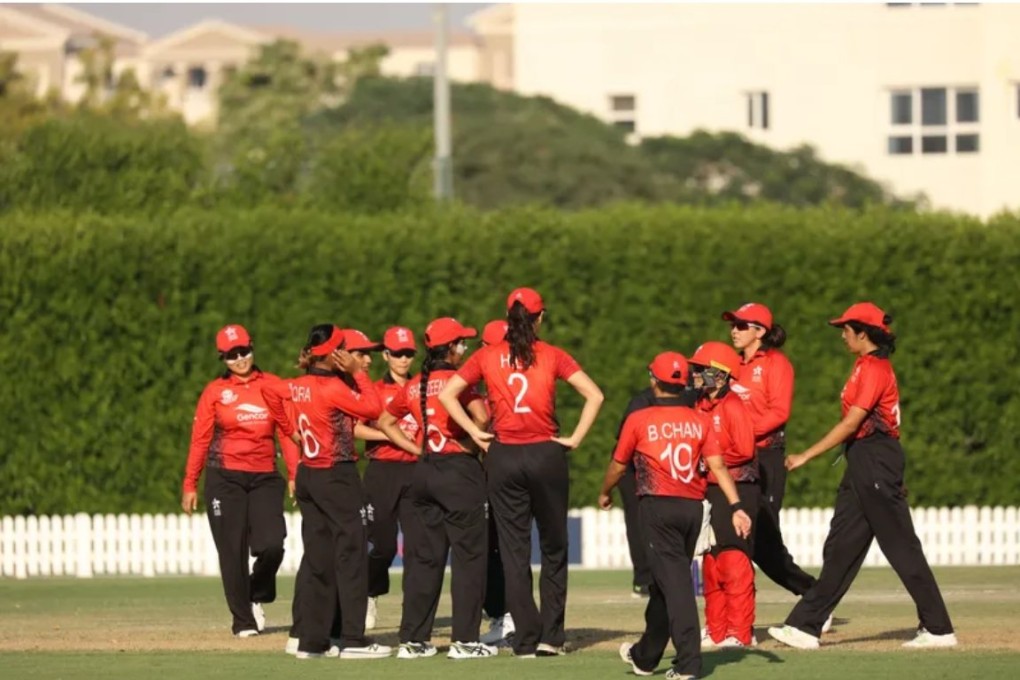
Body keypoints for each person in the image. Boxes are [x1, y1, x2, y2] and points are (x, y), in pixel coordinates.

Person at [769, 303, 957, 650]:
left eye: (846, 330)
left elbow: (852, 423)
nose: (842, 336)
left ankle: (938, 628)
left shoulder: (873, 369)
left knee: (901, 545)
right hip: (863, 460)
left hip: (875, 459)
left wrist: (806, 455)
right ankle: (805, 625)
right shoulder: (864, 365)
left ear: (863, 333)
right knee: (841, 545)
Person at [439, 288, 604, 658]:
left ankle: (526, 639)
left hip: (504, 457)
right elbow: (595, 395)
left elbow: (448, 394)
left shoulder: (487, 355)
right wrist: (575, 438)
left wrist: (476, 432)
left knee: (514, 552)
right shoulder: (552, 355)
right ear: (540, 317)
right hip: (546, 454)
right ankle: (551, 637)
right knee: (554, 547)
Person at [601, 352, 752, 680]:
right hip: (693, 509)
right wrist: (737, 506)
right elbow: (718, 466)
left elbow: (618, 464)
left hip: (658, 508)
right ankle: (645, 656)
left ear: (654, 381)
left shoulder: (639, 418)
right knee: (665, 582)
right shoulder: (699, 419)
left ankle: (689, 664)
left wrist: (604, 491)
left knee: (677, 585)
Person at [262, 324, 391, 659]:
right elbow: (374, 409)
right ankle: (352, 639)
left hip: (309, 474)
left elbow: (271, 395)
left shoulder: (299, 385)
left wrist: (290, 430)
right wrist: (357, 375)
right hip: (337, 476)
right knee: (352, 555)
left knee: (319, 559)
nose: (351, 356)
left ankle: (313, 641)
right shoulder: (332, 387)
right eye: (345, 350)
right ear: (334, 354)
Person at [378, 317, 498, 659]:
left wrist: (416, 449)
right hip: (458, 473)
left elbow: (387, 422)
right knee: (469, 557)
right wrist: (470, 446)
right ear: (450, 348)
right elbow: (482, 416)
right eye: (461, 343)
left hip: (423, 471)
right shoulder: (461, 380)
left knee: (422, 560)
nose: (465, 348)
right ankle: (464, 641)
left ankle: (413, 641)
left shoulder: (414, 383)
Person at [182, 324, 299, 638]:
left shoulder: (273, 384)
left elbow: (287, 432)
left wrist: (294, 473)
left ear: (252, 348)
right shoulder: (214, 392)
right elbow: (200, 440)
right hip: (224, 478)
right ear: (223, 358)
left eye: (244, 351)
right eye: (232, 355)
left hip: (264, 476)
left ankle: (257, 593)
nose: (240, 359)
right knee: (232, 551)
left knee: (272, 545)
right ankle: (243, 620)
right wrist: (190, 483)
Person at [723, 303, 819, 600]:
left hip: (765, 459)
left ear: (760, 331)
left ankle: (814, 597)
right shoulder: (732, 364)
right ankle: (813, 598)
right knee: (736, 538)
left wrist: (741, 435)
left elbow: (779, 412)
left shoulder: (777, 364)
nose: (734, 331)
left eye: (741, 325)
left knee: (762, 541)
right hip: (735, 459)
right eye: (733, 325)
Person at [688, 341, 759, 649]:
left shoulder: (732, 406)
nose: (695, 374)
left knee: (733, 561)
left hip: (738, 488)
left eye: (701, 370)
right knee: (712, 563)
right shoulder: (700, 405)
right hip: (709, 488)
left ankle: (740, 633)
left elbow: (744, 450)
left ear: (720, 375)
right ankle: (716, 630)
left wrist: (709, 459)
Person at [360, 327, 420, 631]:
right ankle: (371, 593)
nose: (403, 359)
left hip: (416, 471)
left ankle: (413, 609)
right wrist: (391, 436)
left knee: (418, 546)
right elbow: (355, 429)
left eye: (408, 353)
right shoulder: (371, 390)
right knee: (381, 546)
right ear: (385, 355)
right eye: (397, 353)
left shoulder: (421, 387)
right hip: (382, 471)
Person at [476, 320, 514, 647]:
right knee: (493, 546)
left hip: (504, 472)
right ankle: (502, 614)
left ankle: (509, 615)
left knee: (504, 545)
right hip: (488, 474)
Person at [613, 385, 656, 599]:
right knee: (638, 521)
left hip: (665, 465)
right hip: (633, 467)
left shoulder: (690, 397)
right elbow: (623, 439)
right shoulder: (641, 401)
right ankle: (644, 580)